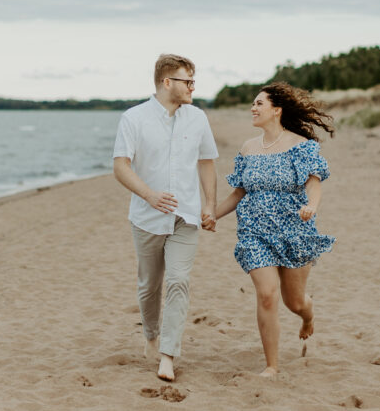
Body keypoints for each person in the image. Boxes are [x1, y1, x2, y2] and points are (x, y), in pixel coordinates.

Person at [215, 82, 335, 377]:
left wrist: (312, 207)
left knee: (293, 302)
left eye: (259, 104)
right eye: (253, 104)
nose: (252, 108)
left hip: (294, 230)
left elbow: (313, 183)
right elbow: (239, 192)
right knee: (267, 295)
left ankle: (308, 315)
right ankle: (272, 366)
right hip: (254, 232)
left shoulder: (300, 146)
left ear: (277, 110)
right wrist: (211, 215)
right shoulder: (248, 148)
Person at [113, 54, 218, 382]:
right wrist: (150, 195)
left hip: (185, 216)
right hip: (146, 217)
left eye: (193, 81)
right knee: (149, 286)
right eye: (187, 81)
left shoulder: (198, 118)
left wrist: (210, 204)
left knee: (178, 281)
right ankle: (151, 336)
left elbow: (206, 161)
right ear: (166, 82)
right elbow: (120, 166)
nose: (192, 87)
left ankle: (168, 355)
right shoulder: (134, 118)